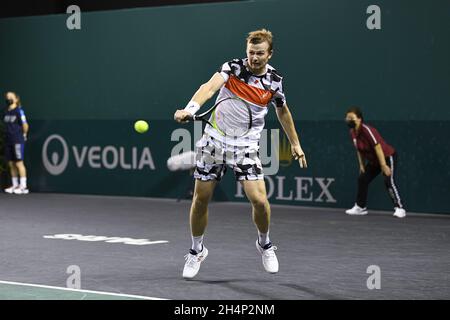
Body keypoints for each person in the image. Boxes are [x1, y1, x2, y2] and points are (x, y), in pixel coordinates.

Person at [174, 29, 307, 279]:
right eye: (250, 53)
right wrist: (190, 108)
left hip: (245, 146)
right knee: (201, 198)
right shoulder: (233, 67)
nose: (254, 58)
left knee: (259, 200)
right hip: (214, 141)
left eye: (259, 54)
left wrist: (295, 144)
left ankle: (264, 244)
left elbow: (283, 111)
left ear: (269, 54)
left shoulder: (275, 81)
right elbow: (209, 87)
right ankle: (196, 250)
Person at [345, 107, 405, 218]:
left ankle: (399, 208)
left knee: (388, 180)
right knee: (362, 179)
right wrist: (362, 165)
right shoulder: (352, 132)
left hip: (387, 156)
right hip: (374, 161)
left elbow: (378, 147)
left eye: (351, 118)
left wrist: (383, 165)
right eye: (347, 118)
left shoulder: (367, 130)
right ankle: (360, 207)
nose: (348, 120)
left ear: (359, 119)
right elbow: (359, 149)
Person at [3, 91, 29, 195]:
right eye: (7, 97)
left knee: (19, 163)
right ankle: (15, 185)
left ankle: (23, 187)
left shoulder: (19, 111)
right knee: (11, 163)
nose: (8, 98)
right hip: (8, 140)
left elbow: (25, 125)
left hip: (17, 140)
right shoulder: (5, 111)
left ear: (16, 99)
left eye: (10, 97)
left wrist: (24, 135)